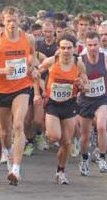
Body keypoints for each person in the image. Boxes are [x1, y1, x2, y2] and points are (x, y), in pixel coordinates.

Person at [0, 6, 38, 185]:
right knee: (5, 131)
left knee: (18, 125)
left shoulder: (28, 39)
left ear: (20, 20)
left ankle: (16, 169)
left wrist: (32, 67)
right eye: (8, 21)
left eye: (15, 20)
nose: (12, 24)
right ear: (3, 22)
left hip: (21, 87)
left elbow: (32, 56)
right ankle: (7, 150)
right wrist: (3, 70)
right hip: (1, 90)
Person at [38, 34, 88, 184]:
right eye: (63, 48)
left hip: (69, 104)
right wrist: (40, 89)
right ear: (58, 49)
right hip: (53, 103)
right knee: (54, 136)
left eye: (69, 48)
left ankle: (60, 171)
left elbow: (86, 87)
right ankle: (48, 135)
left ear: (74, 49)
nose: (66, 51)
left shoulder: (78, 64)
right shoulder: (52, 61)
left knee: (66, 142)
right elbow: (35, 74)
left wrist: (81, 85)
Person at [78, 31, 107, 176]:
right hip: (86, 100)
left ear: (99, 44)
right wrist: (81, 84)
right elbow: (76, 78)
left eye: (95, 45)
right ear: (85, 45)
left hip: (102, 98)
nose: (93, 48)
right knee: (85, 135)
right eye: (90, 45)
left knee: (101, 126)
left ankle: (102, 157)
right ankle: (84, 157)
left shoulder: (106, 58)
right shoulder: (81, 61)